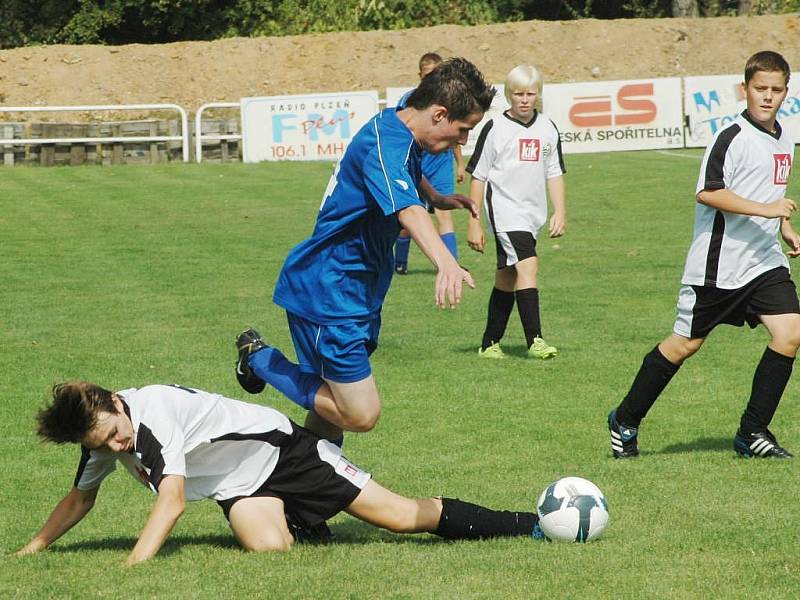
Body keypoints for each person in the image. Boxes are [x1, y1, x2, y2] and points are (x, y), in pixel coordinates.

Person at [236, 58, 496, 443]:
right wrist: (446, 261)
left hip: (357, 292)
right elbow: (405, 208)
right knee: (359, 412)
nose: (462, 141)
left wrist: (436, 197)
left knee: (330, 419)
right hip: (330, 291)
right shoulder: (386, 145)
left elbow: (406, 172)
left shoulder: (407, 118)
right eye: (462, 130)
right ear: (440, 114)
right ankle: (258, 358)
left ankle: (309, 496)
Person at [16, 382, 543, 565]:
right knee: (271, 551)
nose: (116, 445)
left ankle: (530, 523)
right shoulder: (106, 437)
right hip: (241, 484)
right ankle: (305, 521)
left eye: (112, 432)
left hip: (286, 454)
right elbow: (78, 500)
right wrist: (33, 549)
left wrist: (133, 567)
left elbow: (171, 502)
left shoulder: (152, 418)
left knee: (402, 517)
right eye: (102, 444)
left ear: (115, 402)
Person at [607, 50, 800, 460]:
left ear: (786, 92)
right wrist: (766, 210)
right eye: (760, 88)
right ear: (744, 88)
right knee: (683, 345)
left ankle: (753, 432)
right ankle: (625, 418)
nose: (768, 97)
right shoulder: (729, 136)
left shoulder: (785, 134)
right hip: (719, 267)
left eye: (776, 90)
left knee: (790, 334)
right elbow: (708, 191)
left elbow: (770, 191)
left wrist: (783, 225)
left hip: (763, 261)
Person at [466, 64, 566, 360]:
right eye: (518, 93)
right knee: (528, 266)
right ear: (509, 95)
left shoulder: (547, 127)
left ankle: (489, 342)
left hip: (532, 214)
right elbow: (478, 176)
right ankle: (535, 340)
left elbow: (555, 171)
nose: (524, 99)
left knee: (508, 276)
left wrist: (560, 210)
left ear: (538, 95)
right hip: (505, 212)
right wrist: (474, 223)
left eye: (530, 93)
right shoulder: (495, 127)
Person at [394, 52, 467, 275]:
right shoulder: (409, 100)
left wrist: (460, 163)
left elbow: (454, 135)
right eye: (427, 74)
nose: (431, 77)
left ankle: (451, 264)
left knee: (444, 214)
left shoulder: (449, 100)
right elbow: (399, 132)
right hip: (417, 165)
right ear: (420, 75)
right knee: (410, 216)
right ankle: (399, 263)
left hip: (441, 165)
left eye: (436, 73)